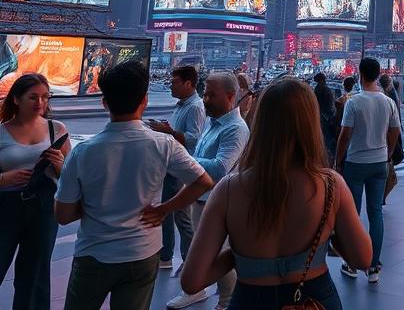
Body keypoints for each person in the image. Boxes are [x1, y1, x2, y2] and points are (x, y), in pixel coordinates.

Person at [181, 77, 372, 310]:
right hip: (313, 299)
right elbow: (363, 259)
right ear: (310, 124)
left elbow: (192, 281)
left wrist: (237, 254)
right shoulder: (331, 185)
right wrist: (326, 234)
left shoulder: (228, 190)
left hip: (249, 299)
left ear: (261, 123)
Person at [55, 62, 213, 310]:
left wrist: (93, 207)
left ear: (104, 102)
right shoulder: (164, 144)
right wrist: (164, 209)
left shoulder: (82, 152)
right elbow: (203, 181)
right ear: (144, 100)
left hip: (93, 254)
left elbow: (63, 215)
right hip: (142, 253)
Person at [167, 72, 250, 310]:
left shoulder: (236, 128)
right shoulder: (212, 121)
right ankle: (199, 291)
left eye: (211, 95)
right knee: (201, 250)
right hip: (202, 197)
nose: (205, 100)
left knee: (217, 255)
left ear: (231, 96)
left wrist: (183, 159)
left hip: (218, 201)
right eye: (205, 94)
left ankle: (226, 302)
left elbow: (220, 167)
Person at [0, 74, 70, 310]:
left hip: (43, 207)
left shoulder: (57, 130)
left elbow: (70, 178)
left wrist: (60, 166)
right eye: (33, 97)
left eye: (45, 97)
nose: (40, 102)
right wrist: (4, 178)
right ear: (17, 100)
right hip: (5, 205)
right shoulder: (1, 132)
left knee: (36, 273)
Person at [335, 58, 400, 282]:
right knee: (376, 214)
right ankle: (373, 267)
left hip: (355, 163)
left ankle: (352, 264)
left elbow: (345, 135)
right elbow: (394, 132)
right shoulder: (388, 102)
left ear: (360, 74)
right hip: (380, 162)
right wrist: (388, 154)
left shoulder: (354, 102)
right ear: (378, 74)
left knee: (353, 215)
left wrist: (338, 160)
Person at [146, 65, 206, 272]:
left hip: (181, 166)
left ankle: (180, 258)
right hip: (172, 165)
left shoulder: (195, 107)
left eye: (174, 82)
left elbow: (193, 139)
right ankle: (169, 256)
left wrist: (168, 131)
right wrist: (167, 130)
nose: (170, 85)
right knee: (175, 212)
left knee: (178, 214)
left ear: (188, 83)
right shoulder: (182, 105)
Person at [377, 74, 402, 205]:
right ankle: (382, 196)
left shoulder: (382, 98)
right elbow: (396, 127)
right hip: (387, 142)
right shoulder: (391, 99)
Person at [313, 73, 336, 159]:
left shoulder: (318, 89)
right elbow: (330, 104)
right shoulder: (326, 89)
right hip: (326, 116)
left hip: (320, 116)